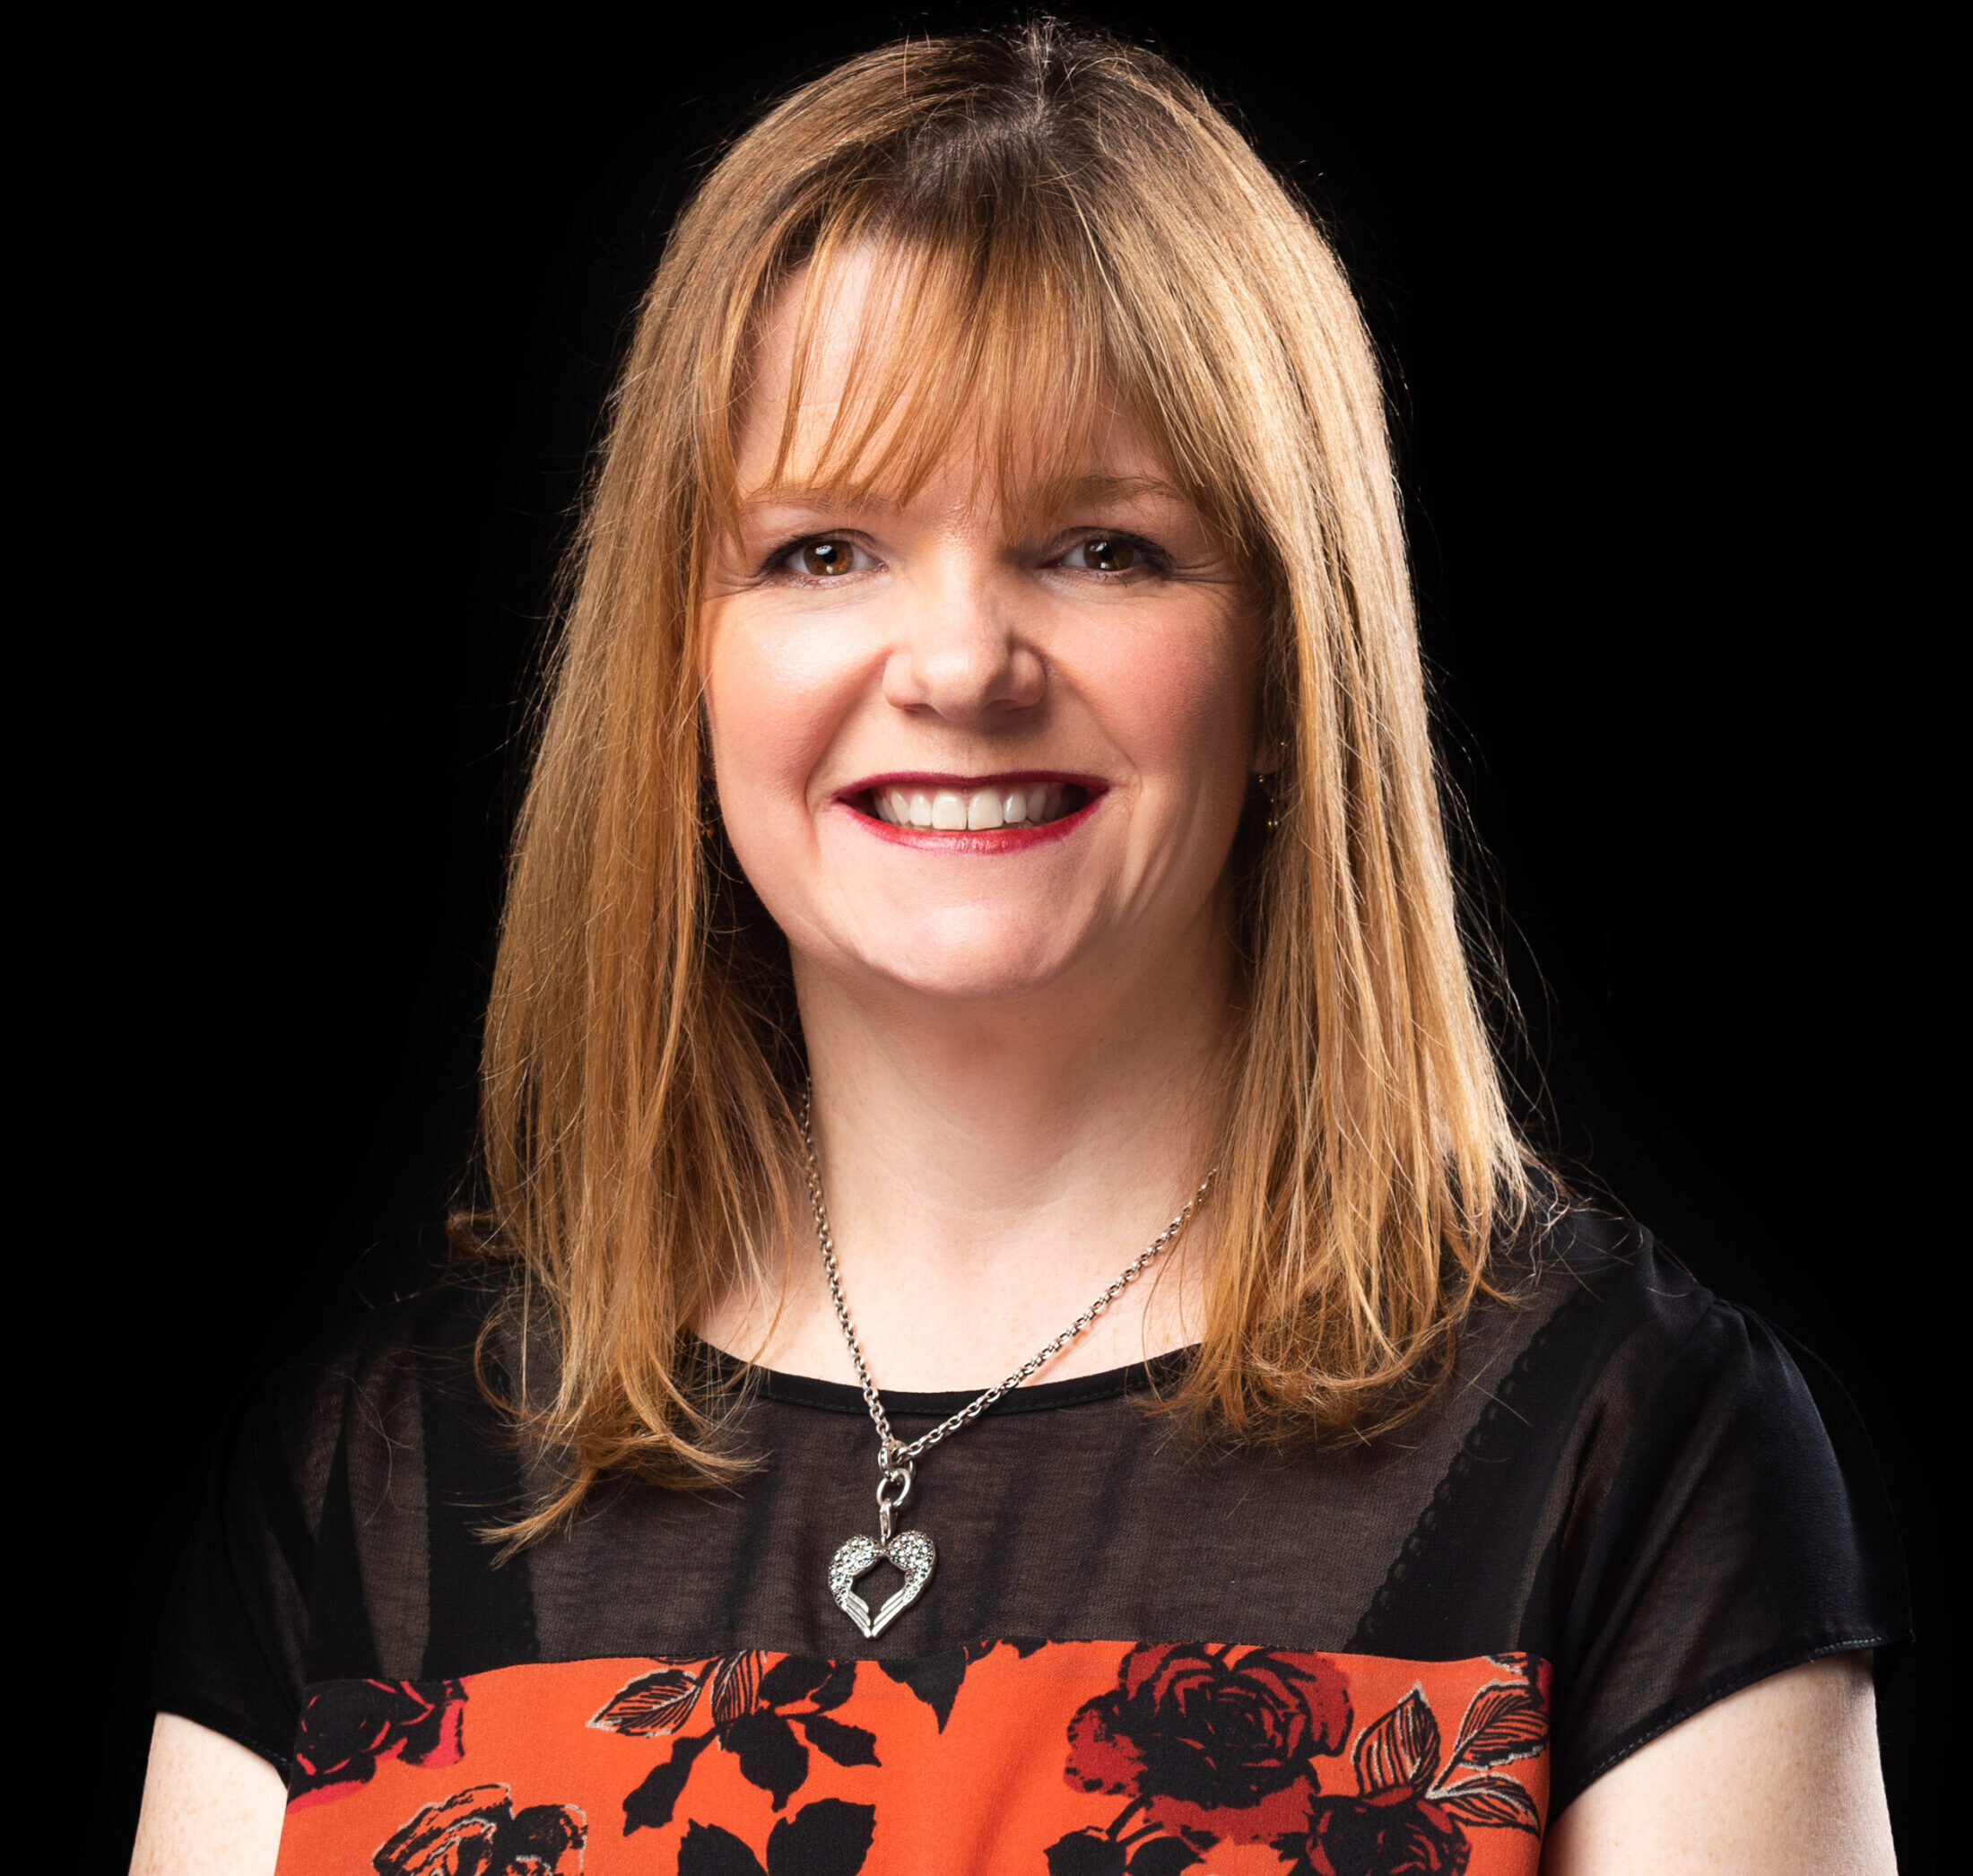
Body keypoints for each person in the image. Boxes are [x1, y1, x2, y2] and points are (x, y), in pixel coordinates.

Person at [133, 24, 1906, 1875]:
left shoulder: (1634, 1453)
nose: (961, 664)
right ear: (681, 659)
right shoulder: (372, 1480)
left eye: (1100, 547)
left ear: (1290, 659)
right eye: (823, 550)